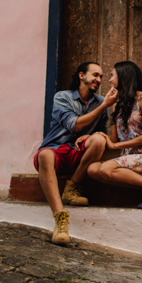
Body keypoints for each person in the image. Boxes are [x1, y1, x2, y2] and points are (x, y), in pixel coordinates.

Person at [34, 61, 117, 245]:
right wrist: (104, 106)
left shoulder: (101, 101)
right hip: (57, 149)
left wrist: (91, 134)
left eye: (101, 76)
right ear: (81, 76)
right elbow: (73, 125)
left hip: (79, 154)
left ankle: (71, 187)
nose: (99, 79)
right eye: (95, 75)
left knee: (99, 140)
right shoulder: (62, 97)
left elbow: (101, 130)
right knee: (43, 155)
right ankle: (60, 219)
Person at [87, 61, 142, 209]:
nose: (110, 80)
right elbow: (115, 138)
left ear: (123, 76)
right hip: (127, 158)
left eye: (112, 75)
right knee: (92, 170)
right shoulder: (119, 105)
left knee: (105, 169)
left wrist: (115, 145)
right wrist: (110, 108)